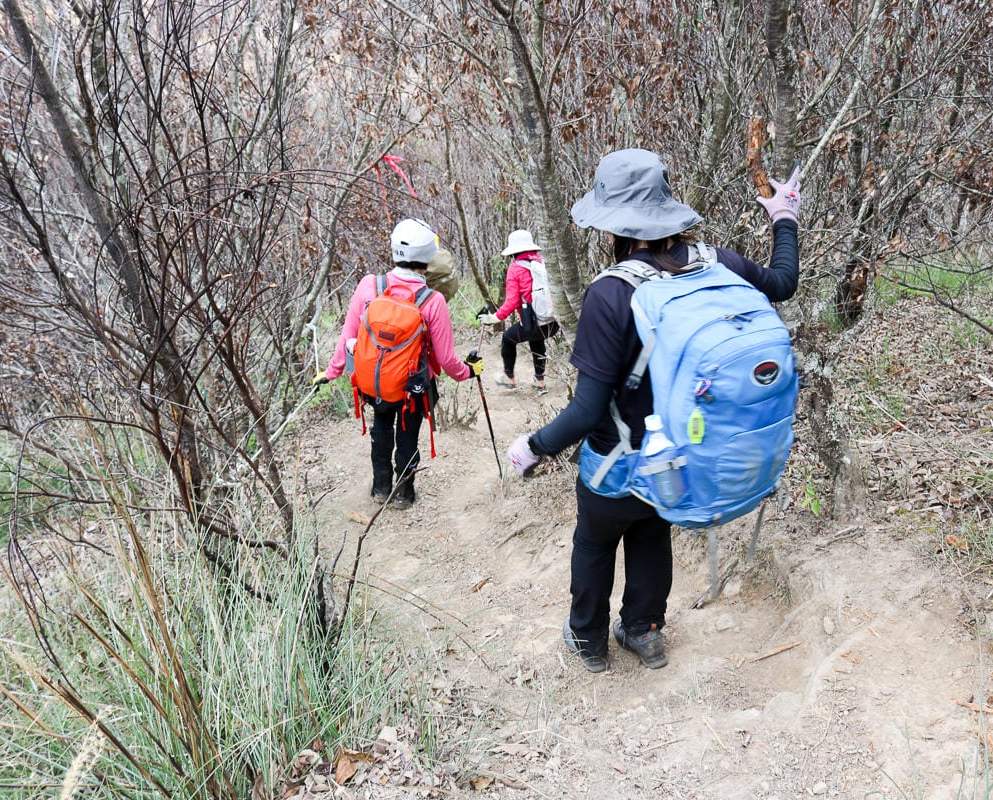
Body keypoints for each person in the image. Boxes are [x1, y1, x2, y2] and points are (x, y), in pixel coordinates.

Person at [505, 149, 801, 672]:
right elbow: (783, 284)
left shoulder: (612, 292)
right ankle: (644, 631)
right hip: (679, 456)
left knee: (594, 543)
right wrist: (785, 217)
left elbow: (587, 408)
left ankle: (589, 641)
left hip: (616, 457)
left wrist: (533, 447)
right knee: (651, 531)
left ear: (613, 222)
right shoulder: (719, 262)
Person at [313, 218, 483, 509]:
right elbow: (447, 361)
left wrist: (330, 373)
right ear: (429, 257)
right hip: (412, 389)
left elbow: (347, 337)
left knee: (381, 430)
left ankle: (380, 488)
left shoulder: (370, 286)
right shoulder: (433, 301)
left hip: (375, 384)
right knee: (407, 437)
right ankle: (404, 494)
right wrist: (470, 370)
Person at [478, 229, 560, 392]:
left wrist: (495, 317)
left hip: (533, 322)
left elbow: (512, 301)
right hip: (553, 322)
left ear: (513, 252)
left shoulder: (515, 269)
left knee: (508, 339)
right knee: (536, 341)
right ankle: (539, 381)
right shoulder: (543, 262)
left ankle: (509, 379)